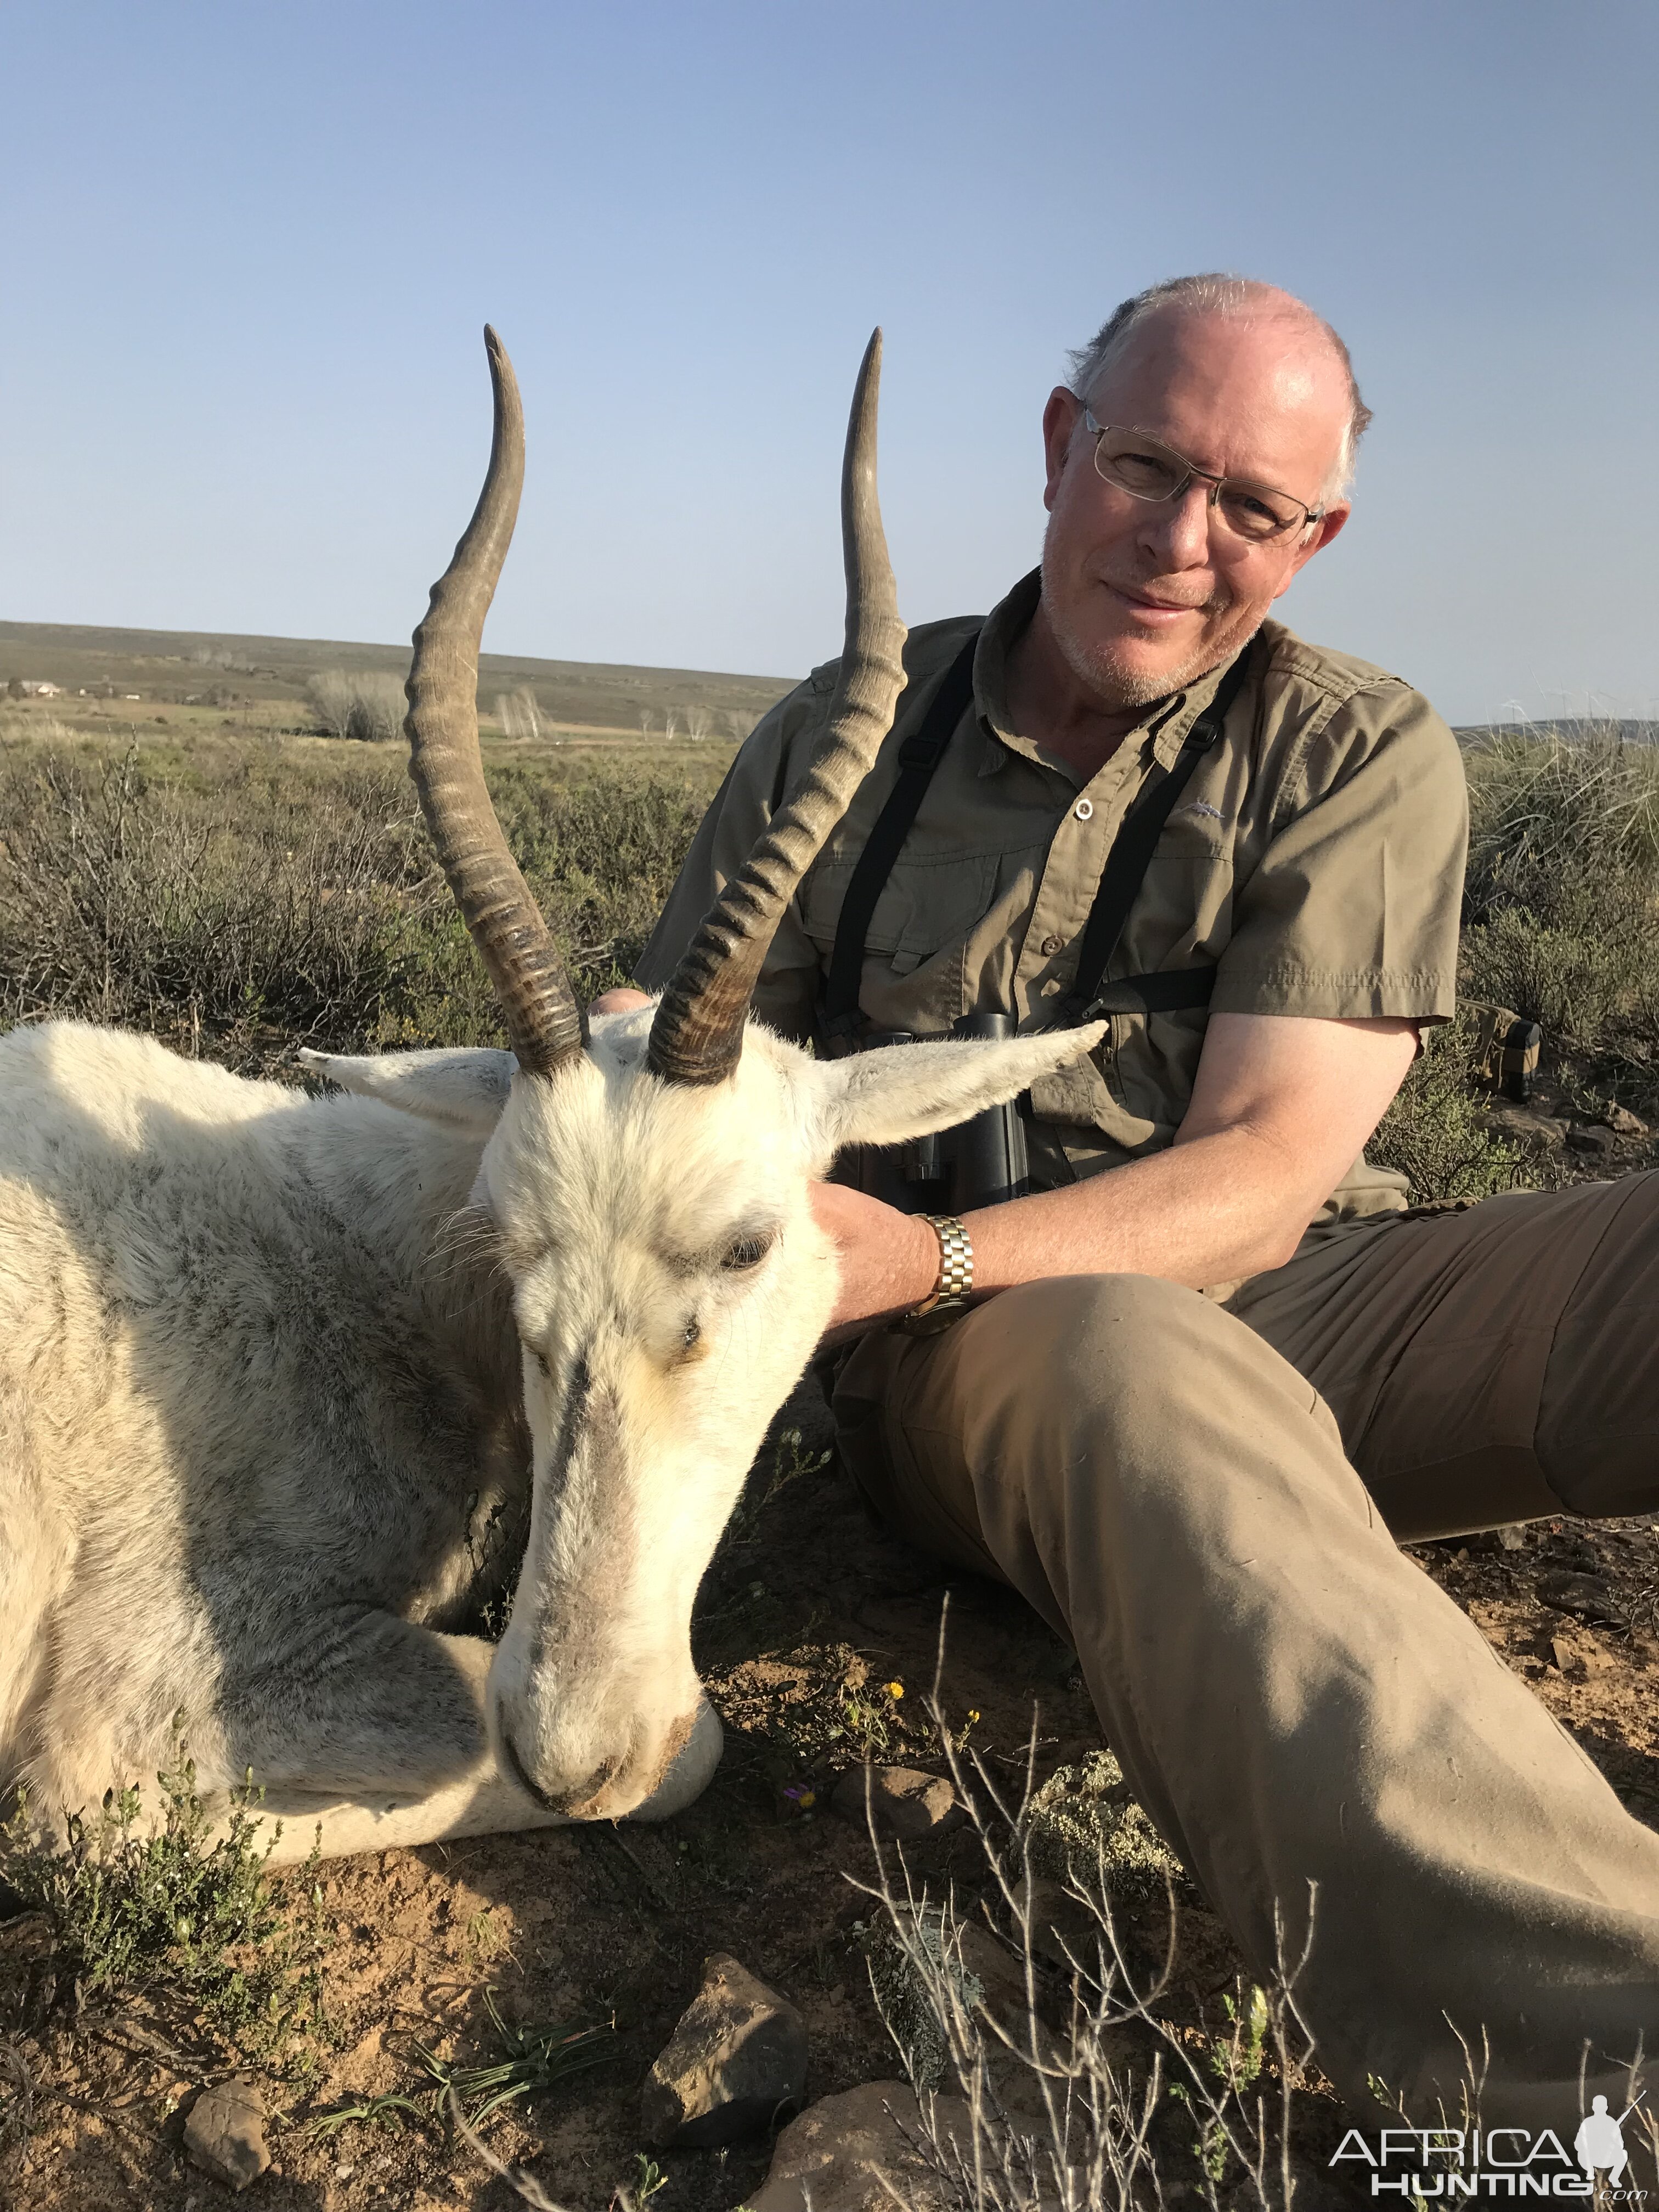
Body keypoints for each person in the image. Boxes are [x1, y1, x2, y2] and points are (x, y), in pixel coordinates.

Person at [607, 274, 1659, 2126]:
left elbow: (1263, 1178)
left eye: (1255, 507)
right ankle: (1584, 2070)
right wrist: (819, 1206)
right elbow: (694, 1065)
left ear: (1316, 534)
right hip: (945, 1356)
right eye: (1147, 465)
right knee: (1120, 1361)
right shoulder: (849, 728)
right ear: (1054, 449)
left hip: (1269, 1309)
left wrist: (929, 1237)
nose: (1185, 541)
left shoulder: (1358, 750)